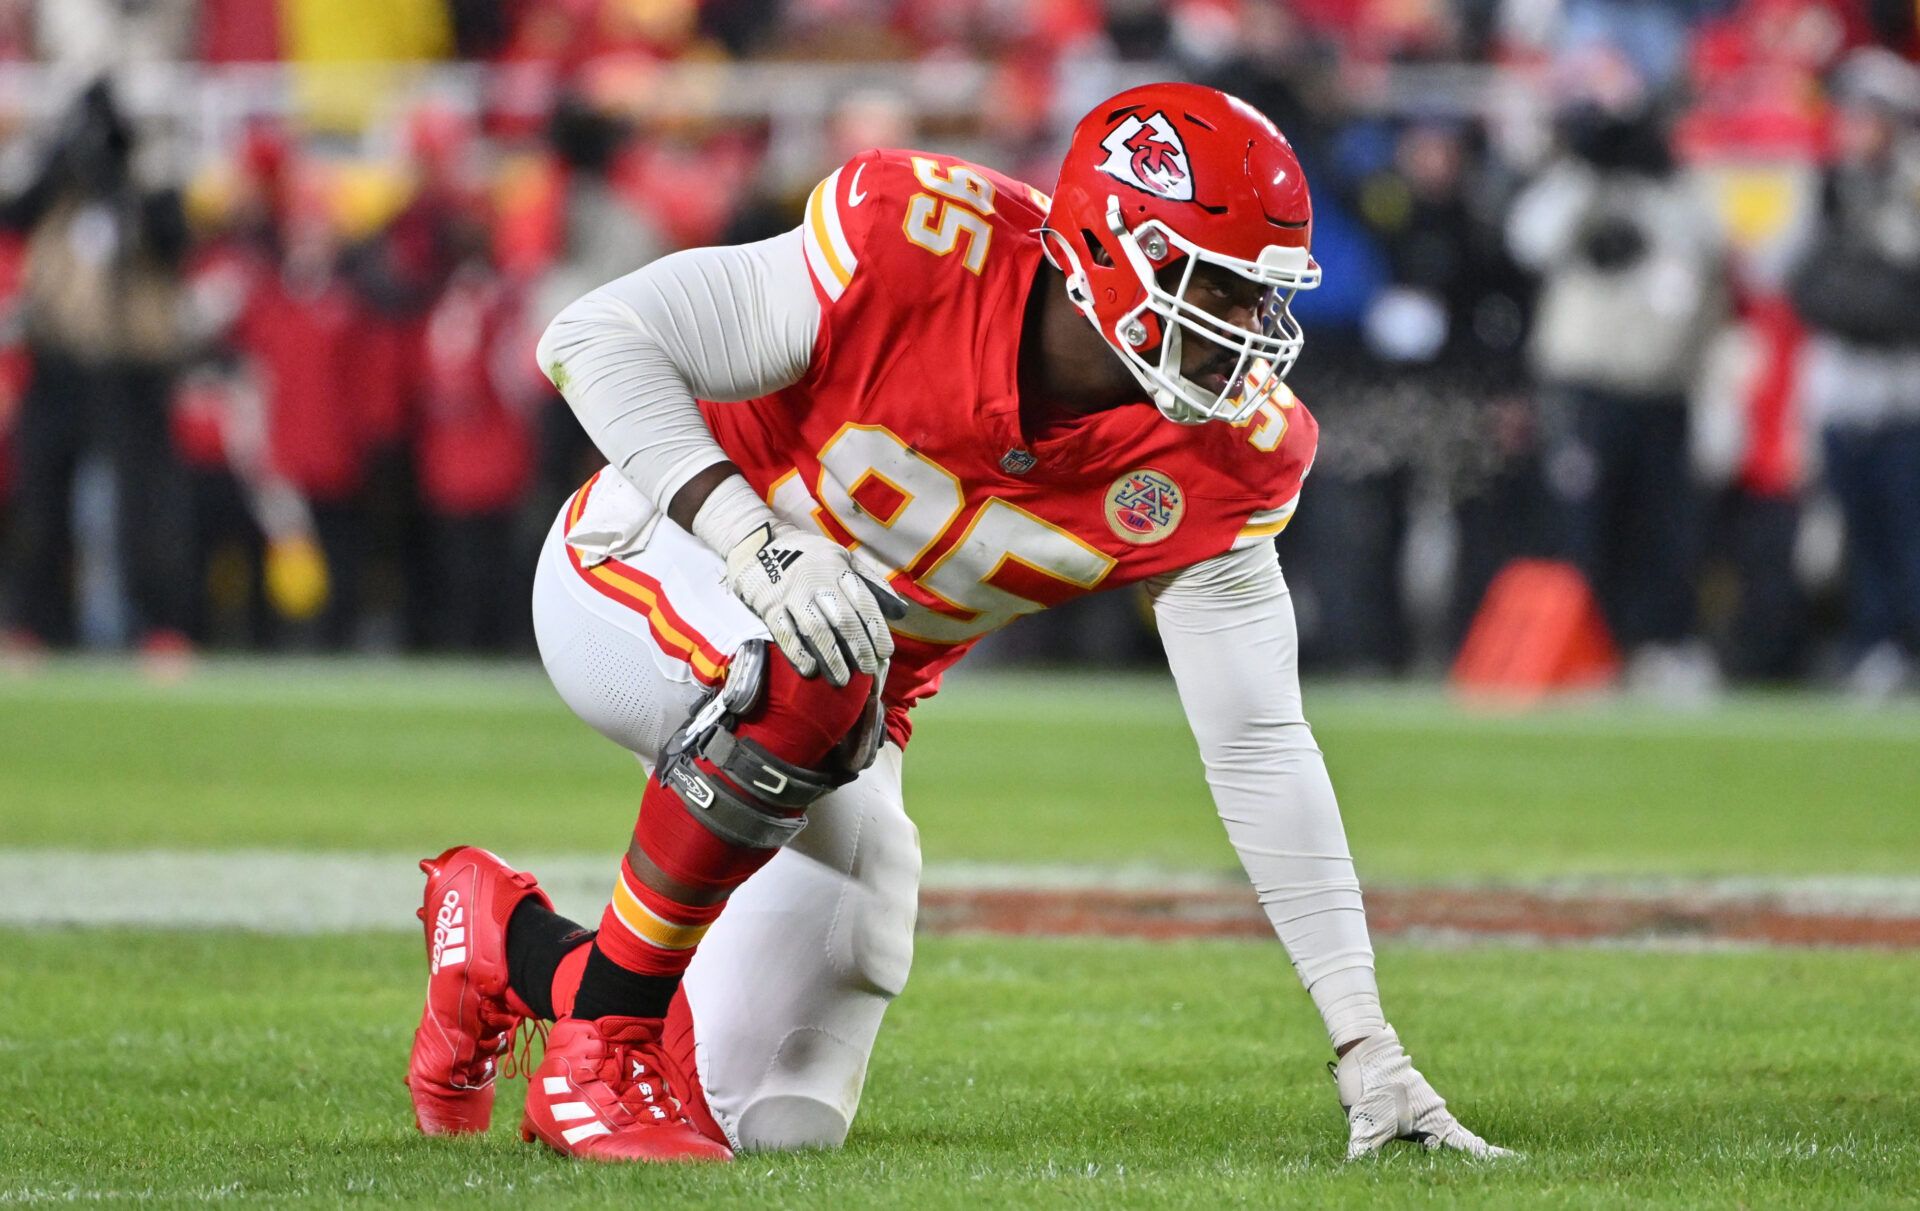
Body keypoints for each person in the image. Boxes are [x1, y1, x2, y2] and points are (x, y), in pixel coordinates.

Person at [404, 83, 1510, 1165]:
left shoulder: (1224, 450)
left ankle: (503, 941)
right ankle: (602, 1049)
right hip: (649, 559)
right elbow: (595, 336)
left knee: (774, 1111)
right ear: (1116, 256)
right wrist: (756, 541)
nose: (1246, 333)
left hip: (838, 703)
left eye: (1260, 298)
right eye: (1219, 291)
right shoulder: (914, 243)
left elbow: (1259, 742)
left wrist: (1367, 1041)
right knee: (815, 667)